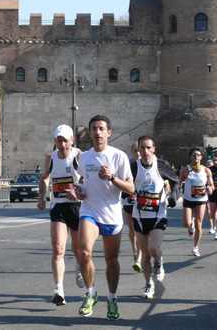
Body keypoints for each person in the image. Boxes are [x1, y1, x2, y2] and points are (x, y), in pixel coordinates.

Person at [73, 115, 134, 321]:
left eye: (101, 128)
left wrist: (112, 178)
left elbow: (131, 188)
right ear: (89, 133)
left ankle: (112, 298)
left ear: (108, 132)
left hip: (112, 214)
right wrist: (78, 191)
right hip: (89, 211)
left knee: (111, 261)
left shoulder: (119, 157)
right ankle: (91, 294)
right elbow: (82, 180)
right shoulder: (84, 157)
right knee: (83, 252)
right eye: (93, 129)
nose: (97, 132)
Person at [37, 124, 84, 306]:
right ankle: (59, 289)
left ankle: (79, 267)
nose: (62, 145)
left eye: (66, 141)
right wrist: (41, 197)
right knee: (58, 249)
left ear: (72, 140)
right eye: (59, 141)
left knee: (78, 250)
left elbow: (87, 178)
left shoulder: (79, 156)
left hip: (78, 207)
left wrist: (78, 190)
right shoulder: (51, 158)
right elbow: (45, 178)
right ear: (55, 141)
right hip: (58, 207)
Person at [131, 135, 178, 299]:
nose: (145, 151)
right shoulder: (134, 167)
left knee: (152, 249)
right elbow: (126, 185)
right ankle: (148, 284)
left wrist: (173, 197)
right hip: (139, 216)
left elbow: (176, 181)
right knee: (144, 254)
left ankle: (158, 262)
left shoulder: (161, 165)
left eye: (148, 148)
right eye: (141, 148)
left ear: (154, 149)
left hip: (158, 214)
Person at [179, 147, 213, 256]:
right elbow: (178, 183)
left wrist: (210, 189)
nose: (196, 157)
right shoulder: (185, 170)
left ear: (201, 157)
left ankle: (195, 247)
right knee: (186, 223)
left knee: (199, 224)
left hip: (201, 199)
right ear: (190, 157)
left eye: (198, 155)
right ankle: (190, 225)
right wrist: (176, 194)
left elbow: (211, 185)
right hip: (188, 199)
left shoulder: (206, 170)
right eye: (194, 155)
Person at [122, 142, 141, 272]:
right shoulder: (127, 165)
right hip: (128, 200)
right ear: (132, 152)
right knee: (133, 230)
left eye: (139, 150)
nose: (138, 153)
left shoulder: (146, 164)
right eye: (135, 150)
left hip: (143, 201)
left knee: (143, 229)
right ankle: (135, 251)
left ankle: (140, 254)